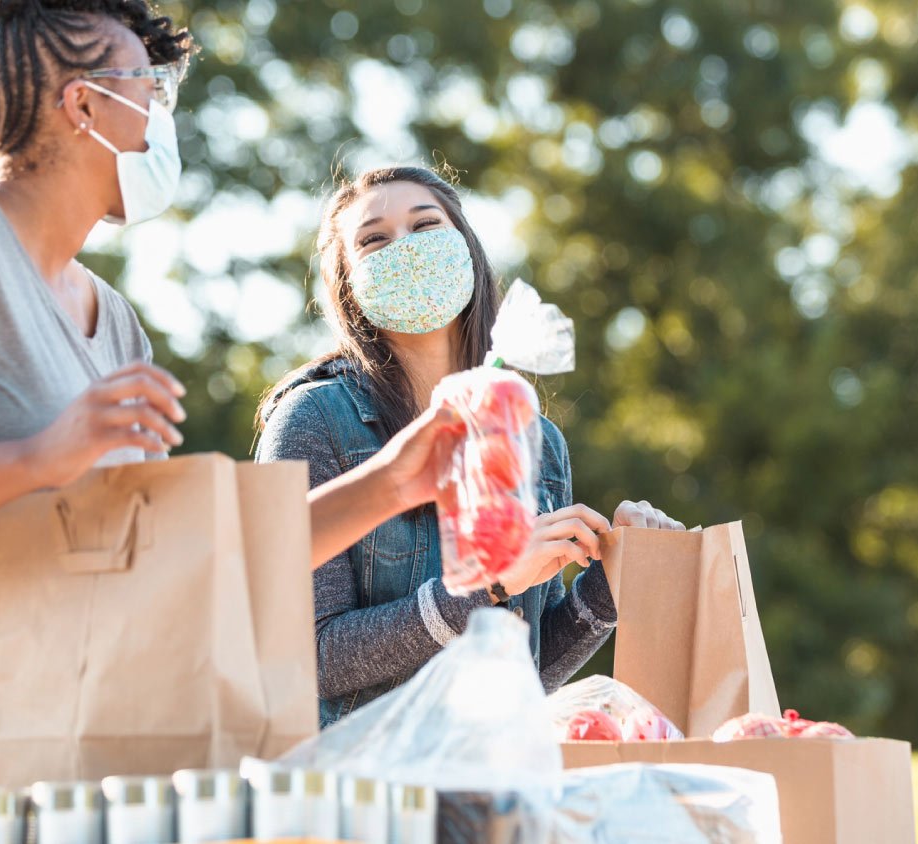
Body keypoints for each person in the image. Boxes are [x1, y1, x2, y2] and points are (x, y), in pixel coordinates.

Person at [0, 0, 457, 817]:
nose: (161, 109)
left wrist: (393, 485)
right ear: (83, 103)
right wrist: (34, 460)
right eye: (146, 83)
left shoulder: (115, 325)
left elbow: (163, 572)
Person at [256, 166, 685, 726]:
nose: (405, 248)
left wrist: (607, 589)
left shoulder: (537, 441)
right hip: (357, 792)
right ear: (348, 285)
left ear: (467, 250)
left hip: (488, 784)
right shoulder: (314, 420)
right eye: (374, 239)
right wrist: (486, 587)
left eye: (425, 225)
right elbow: (301, 657)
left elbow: (524, 671)